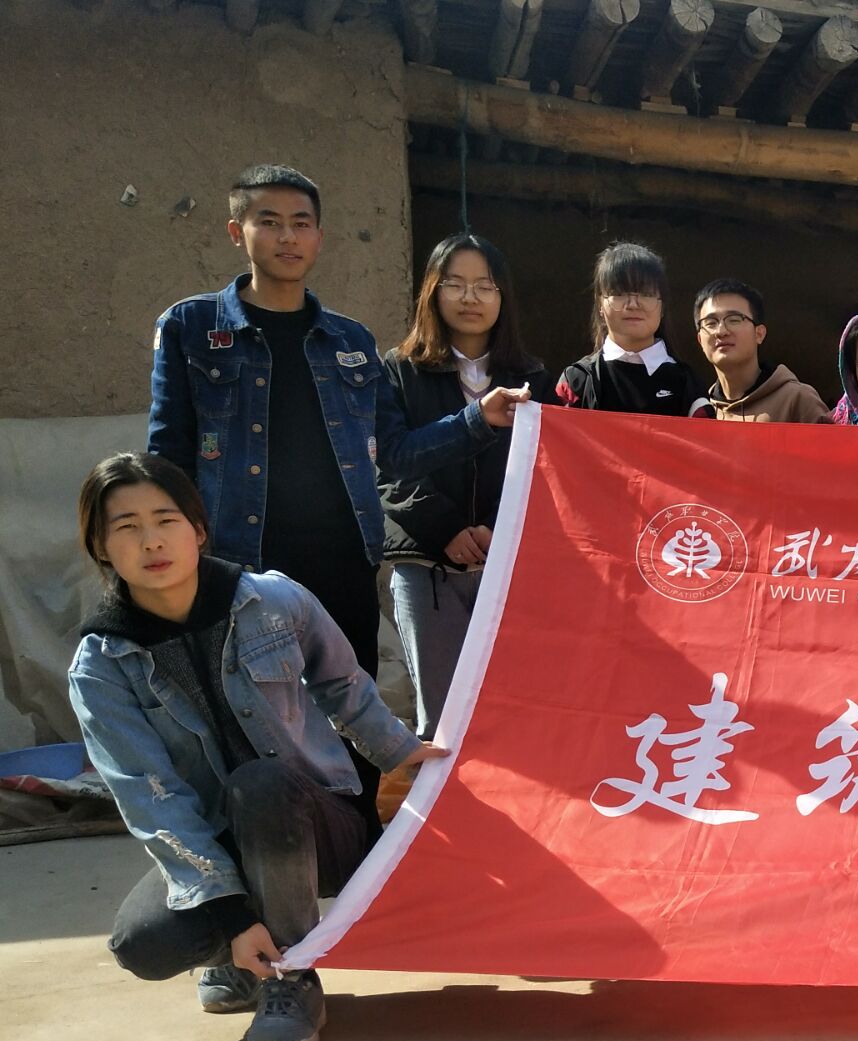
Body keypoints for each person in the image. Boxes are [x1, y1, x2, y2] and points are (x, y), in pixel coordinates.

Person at [149, 165, 523, 827]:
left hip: (343, 561)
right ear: (237, 232)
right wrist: (175, 551)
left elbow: (395, 452)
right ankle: (267, 852)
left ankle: (356, 851)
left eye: (301, 224)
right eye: (269, 222)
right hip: (239, 561)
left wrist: (477, 420)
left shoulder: (349, 342)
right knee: (252, 717)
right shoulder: (192, 327)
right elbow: (167, 453)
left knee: (351, 713)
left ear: (319, 237)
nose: (287, 237)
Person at [67, 454, 437, 1041]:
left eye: (165, 520)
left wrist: (406, 755)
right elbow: (150, 797)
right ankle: (243, 954)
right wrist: (231, 916)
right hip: (220, 843)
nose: (152, 541)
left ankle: (291, 978)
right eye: (127, 527)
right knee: (144, 945)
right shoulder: (101, 666)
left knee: (261, 783)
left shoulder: (272, 599)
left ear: (198, 530)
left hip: (317, 826)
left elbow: (344, 686)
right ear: (100, 546)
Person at [379, 233, 551, 740]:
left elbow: (548, 471)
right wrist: (445, 527)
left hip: (509, 568)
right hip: (427, 570)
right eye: (455, 284)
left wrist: (497, 529)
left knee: (518, 714)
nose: (470, 297)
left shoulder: (535, 378)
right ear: (432, 292)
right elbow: (388, 464)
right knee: (444, 722)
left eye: (485, 286)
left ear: (503, 297)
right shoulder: (399, 370)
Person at [555, 242, 711, 417]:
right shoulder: (576, 381)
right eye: (619, 293)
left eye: (646, 294)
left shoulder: (688, 384)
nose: (633, 304)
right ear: (600, 304)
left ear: (662, 306)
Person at [694, 278, 831, 423]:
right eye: (711, 323)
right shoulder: (701, 412)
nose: (721, 331)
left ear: (759, 334)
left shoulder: (797, 400)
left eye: (734, 320)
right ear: (700, 340)